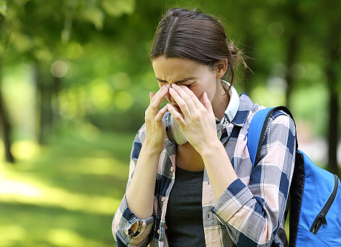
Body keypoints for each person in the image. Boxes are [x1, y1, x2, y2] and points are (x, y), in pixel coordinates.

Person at [112, 8, 296, 247]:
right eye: (162, 83)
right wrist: (150, 149)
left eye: (185, 84)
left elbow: (261, 239)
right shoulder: (153, 133)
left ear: (220, 67)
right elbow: (127, 240)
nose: (173, 95)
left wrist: (209, 145)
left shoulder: (272, 128)